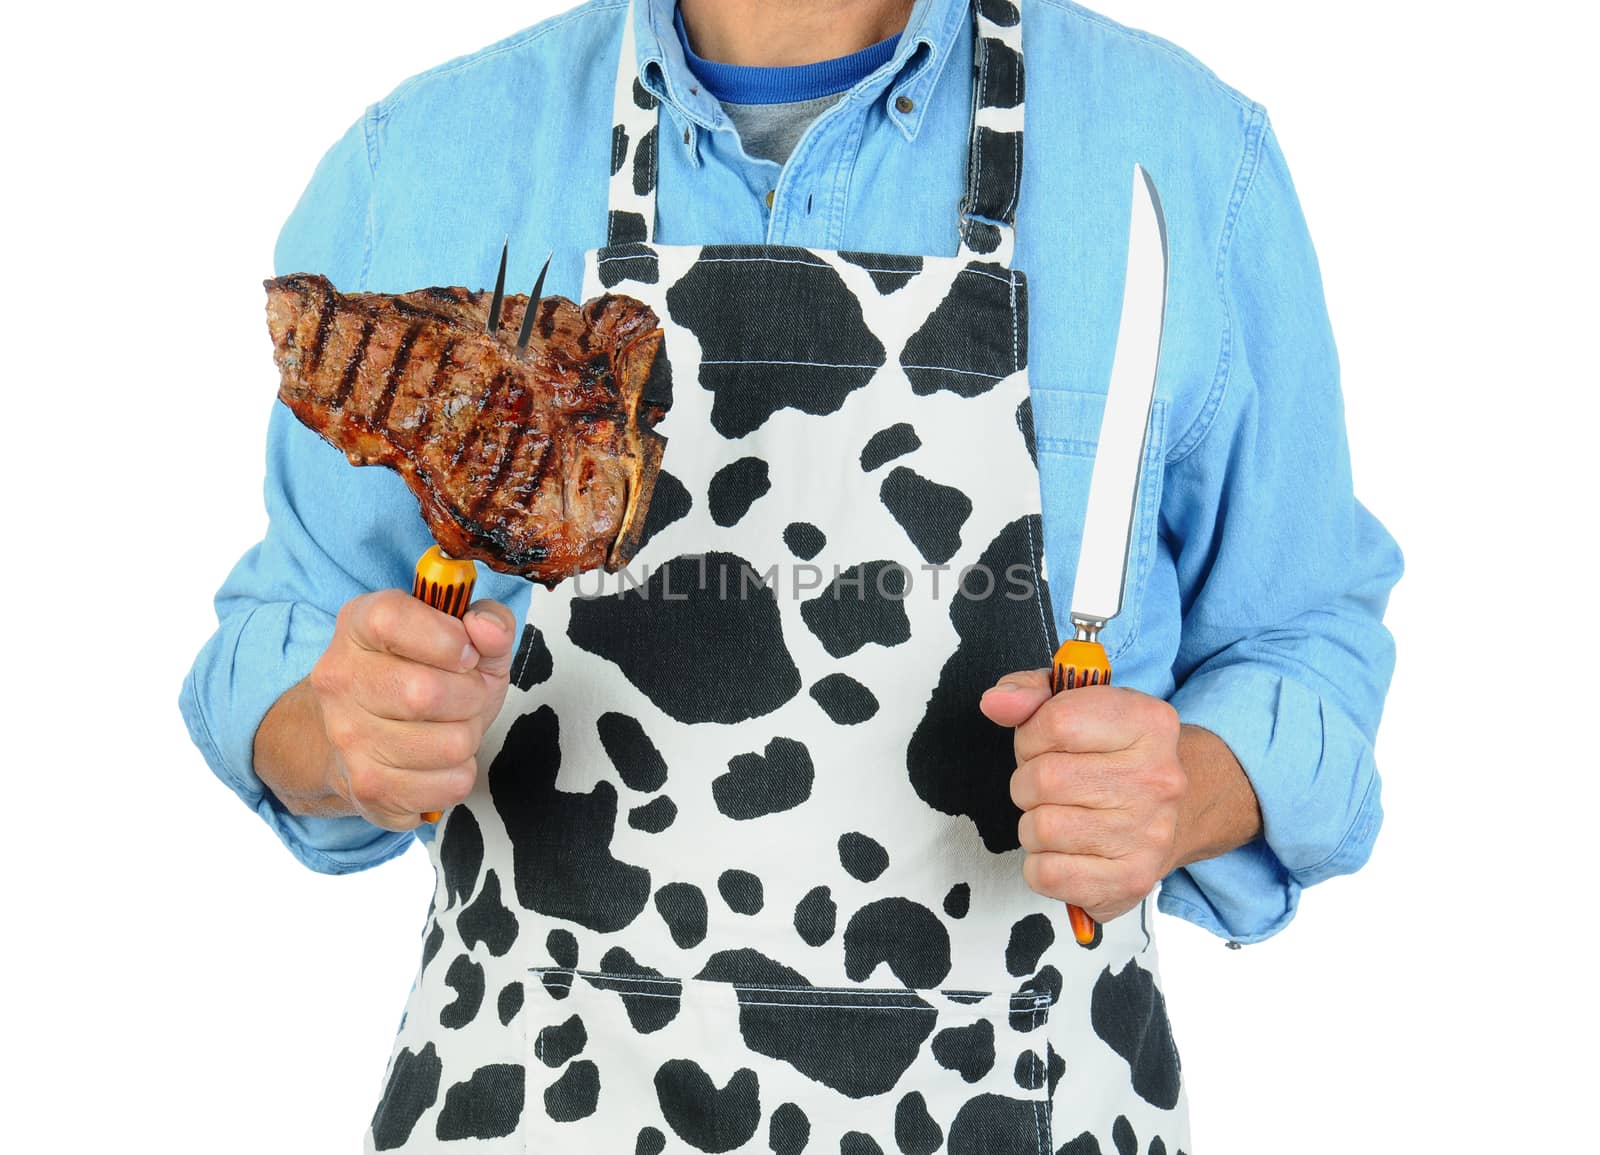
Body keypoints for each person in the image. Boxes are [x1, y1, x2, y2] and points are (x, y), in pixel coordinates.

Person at [180, 0, 1402, 1150]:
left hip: (1014, 1095)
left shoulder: (1178, 158)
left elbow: (1304, 635)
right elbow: (283, 643)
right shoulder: (428, 163)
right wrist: (340, 735)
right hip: (538, 1095)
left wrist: (1180, 789)